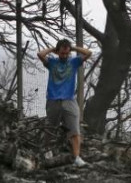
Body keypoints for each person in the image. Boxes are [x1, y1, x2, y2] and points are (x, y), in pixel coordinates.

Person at [37, 39, 92, 167]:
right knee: (50, 127)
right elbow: (40, 55)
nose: (65, 56)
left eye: (67, 53)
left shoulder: (73, 62)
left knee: (74, 129)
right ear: (58, 52)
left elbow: (88, 53)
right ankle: (47, 151)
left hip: (69, 99)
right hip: (53, 99)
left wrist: (74, 48)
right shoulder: (51, 62)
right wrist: (52, 49)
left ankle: (77, 157)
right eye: (62, 53)